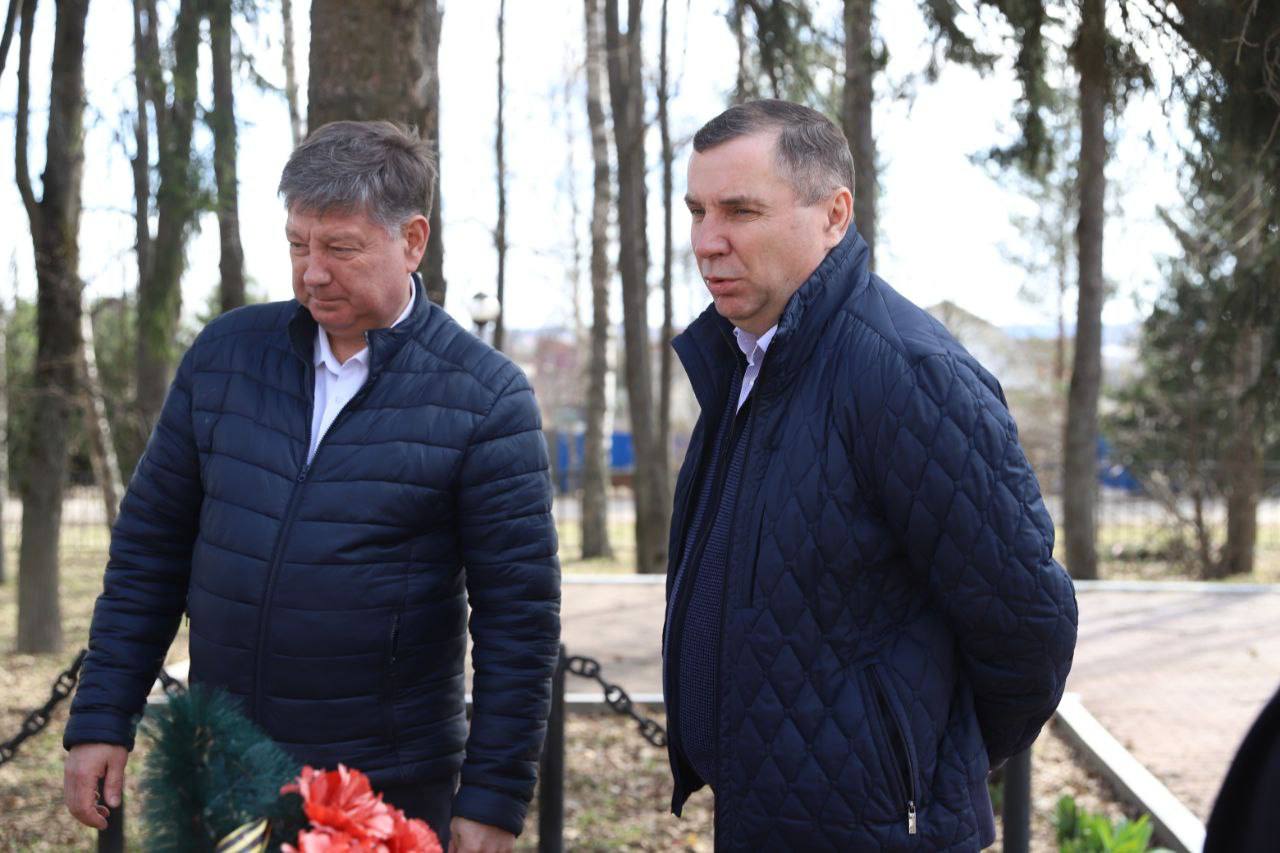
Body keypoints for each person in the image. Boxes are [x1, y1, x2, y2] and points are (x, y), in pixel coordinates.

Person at [62, 120, 560, 853]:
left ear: (412, 240)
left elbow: (519, 620)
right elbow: (148, 553)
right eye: (299, 244)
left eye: (340, 248)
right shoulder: (226, 357)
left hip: (383, 791)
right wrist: (103, 718)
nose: (313, 274)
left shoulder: (486, 397)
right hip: (224, 773)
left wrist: (492, 796)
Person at [662, 100, 1078, 851]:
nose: (706, 241)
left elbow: (1028, 626)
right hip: (764, 819)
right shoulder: (749, 361)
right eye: (697, 211)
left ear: (834, 214)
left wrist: (914, 770)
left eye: (741, 211)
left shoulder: (908, 373)